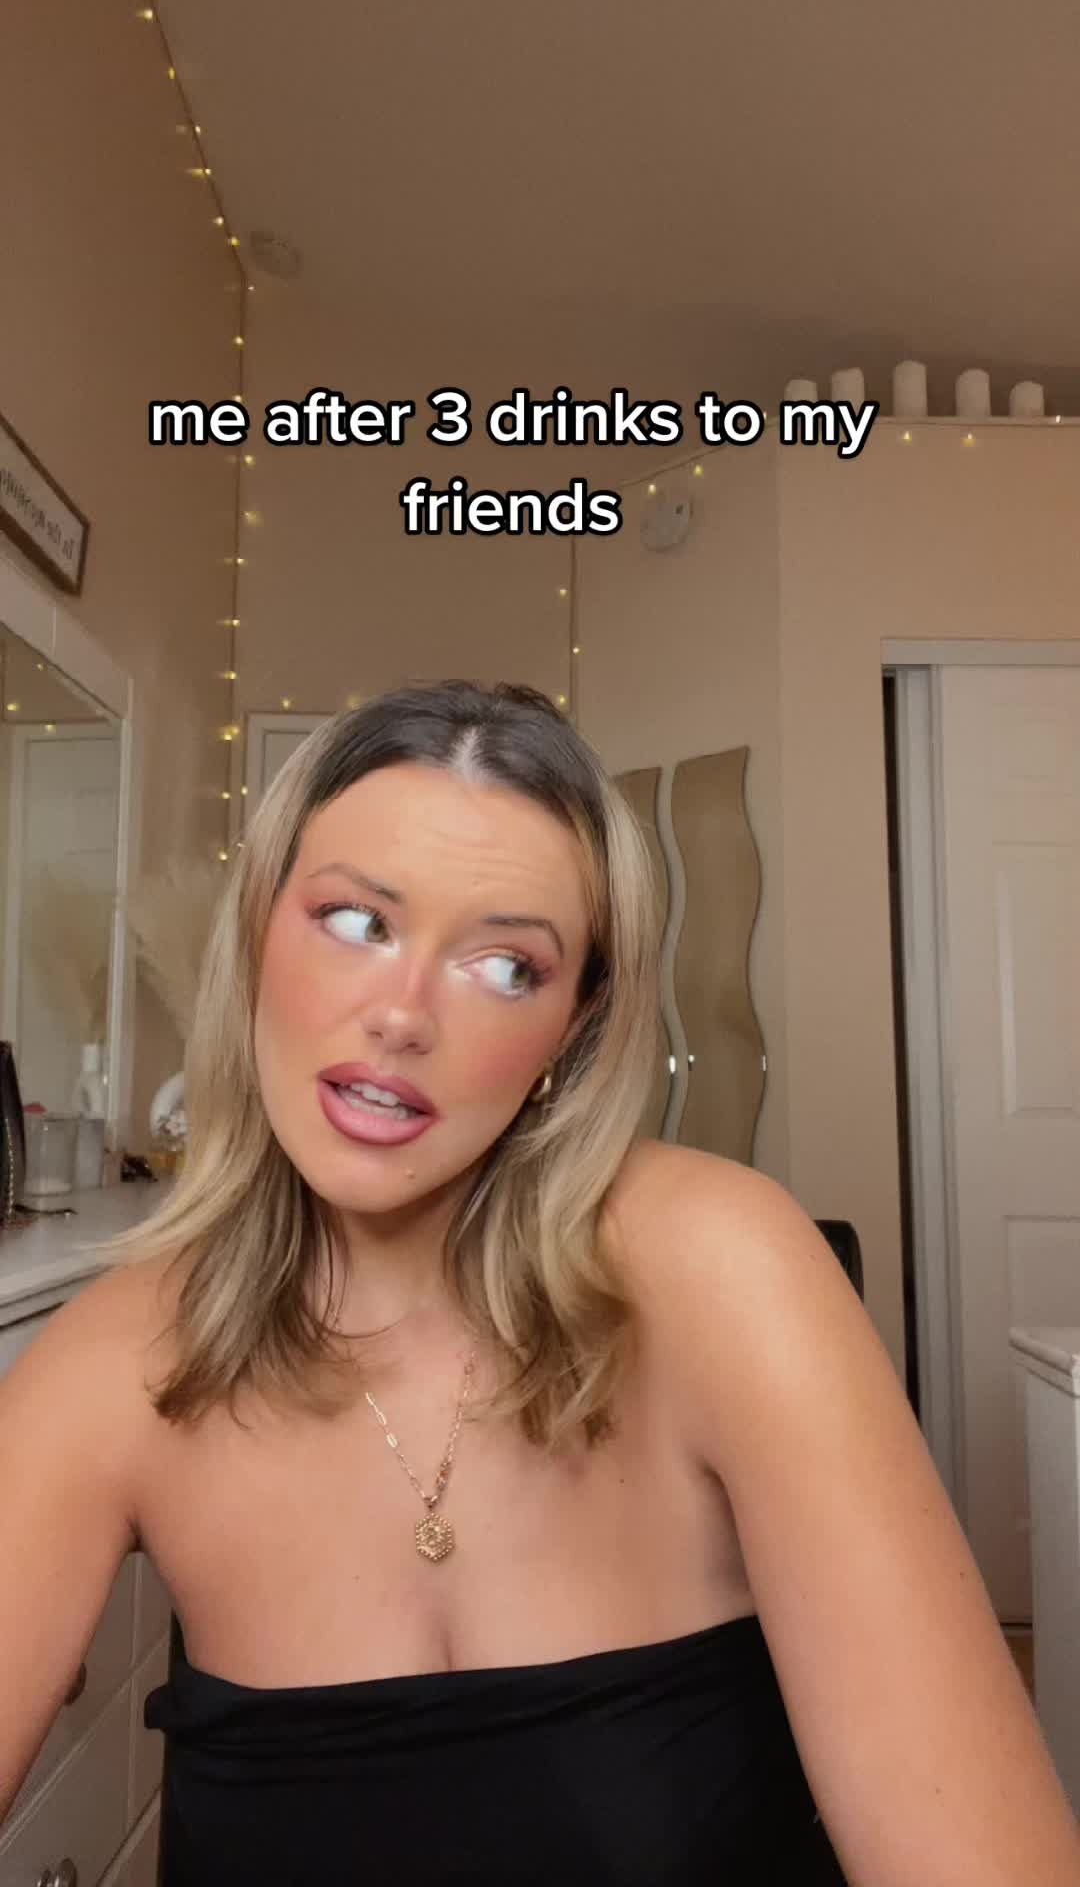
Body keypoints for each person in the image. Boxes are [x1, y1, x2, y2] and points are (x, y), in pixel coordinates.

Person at [1, 680, 1077, 1887]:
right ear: (256, 934)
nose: (402, 1015)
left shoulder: (724, 1270)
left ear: (573, 1026)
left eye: (507, 966)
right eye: (356, 921)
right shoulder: (119, 1359)